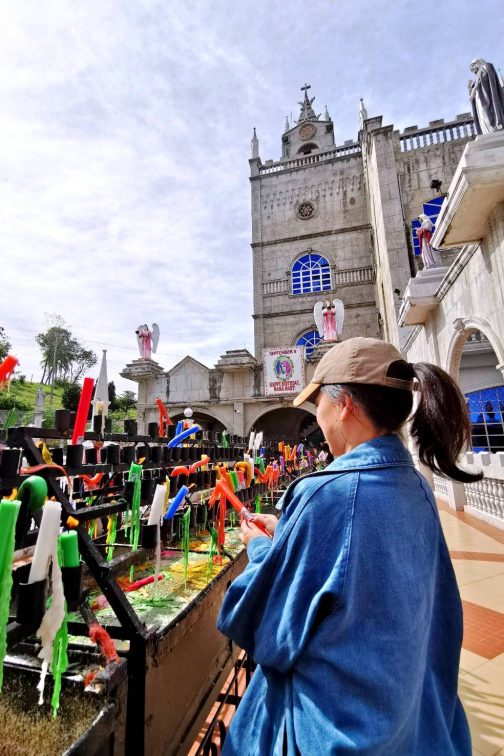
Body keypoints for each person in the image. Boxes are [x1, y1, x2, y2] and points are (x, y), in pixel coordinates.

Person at [217, 337, 481, 755]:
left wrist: (262, 549)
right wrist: (290, 529)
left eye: (318, 401)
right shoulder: (414, 485)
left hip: (334, 733)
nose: (316, 415)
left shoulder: (327, 494)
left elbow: (261, 625)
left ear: (344, 405)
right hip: (410, 725)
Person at [468, 58, 504, 135]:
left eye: (473, 66)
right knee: (482, 115)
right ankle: (487, 131)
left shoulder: (485, 67)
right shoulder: (478, 75)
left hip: (485, 97)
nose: (472, 70)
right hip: (479, 99)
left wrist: (473, 91)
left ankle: (493, 127)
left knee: (486, 112)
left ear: (477, 63)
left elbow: (481, 81)